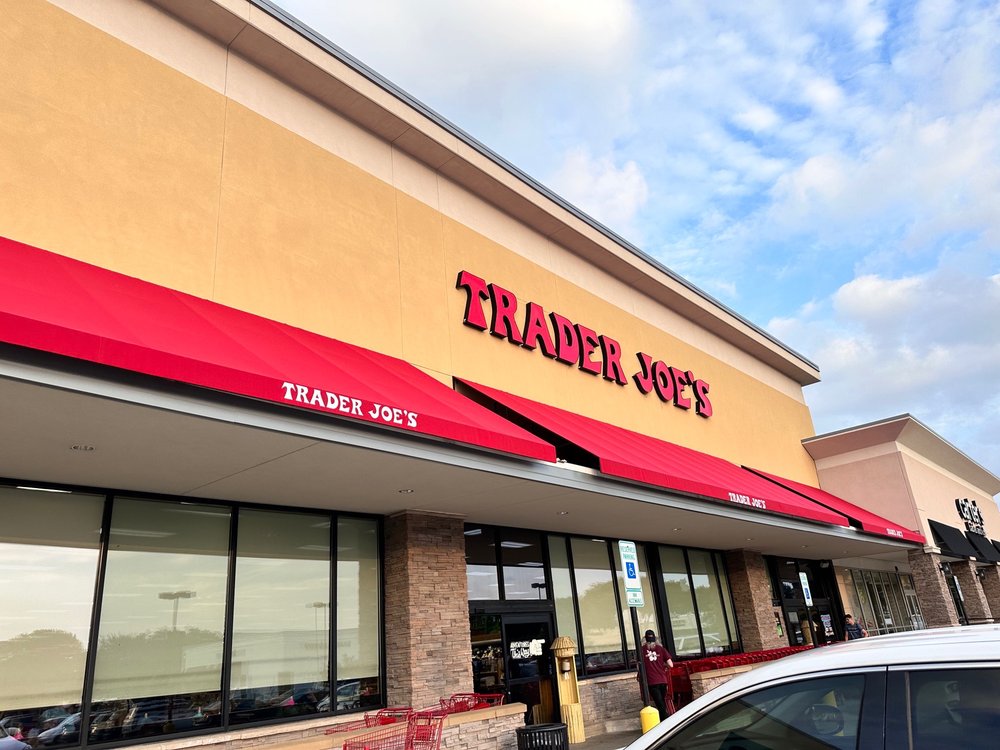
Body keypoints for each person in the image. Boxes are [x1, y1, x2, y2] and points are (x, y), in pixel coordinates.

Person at [638, 629, 675, 721]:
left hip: (651, 681)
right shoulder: (661, 649)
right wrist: (663, 664)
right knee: (662, 703)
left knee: (660, 704)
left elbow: (639, 667)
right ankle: (666, 720)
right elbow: (671, 665)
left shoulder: (641, 650)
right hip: (663, 680)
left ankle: (665, 722)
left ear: (645, 639)